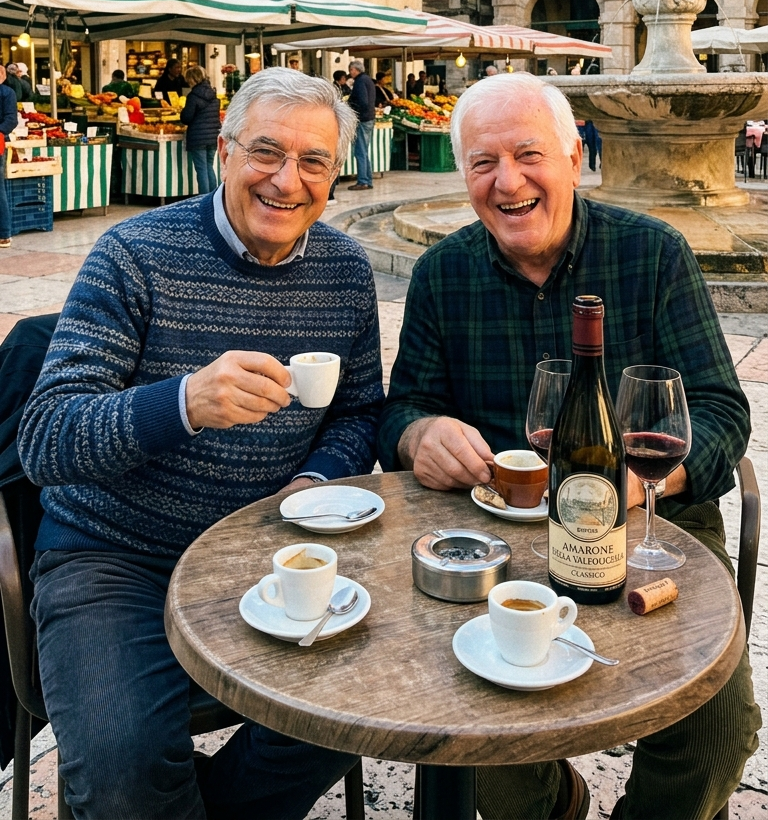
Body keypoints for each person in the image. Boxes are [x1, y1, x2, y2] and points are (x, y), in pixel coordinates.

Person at [378, 72, 760, 820]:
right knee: (476, 732)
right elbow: (403, 409)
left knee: (715, 734)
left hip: (653, 526)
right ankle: (554, 805)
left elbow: (720, 409)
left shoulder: (651, 255)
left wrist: (654, 481)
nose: (508, 181)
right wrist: (419, 434)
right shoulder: (441, 273)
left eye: (529, 154)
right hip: (498, 532)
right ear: (464, 176)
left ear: (573, 157)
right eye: (483, 162)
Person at [18, 69, 384, 820]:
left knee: (359, 705)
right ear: (222, 152)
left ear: (336, 173)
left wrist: (317, 478)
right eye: (267, 153)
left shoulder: (345, 270)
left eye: (314, 161)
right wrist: (181, 403)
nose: (287, 181)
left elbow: (359, 413)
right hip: (114, 556)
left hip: (265, 555)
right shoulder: (133, 253)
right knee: (127, 767)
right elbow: (47, 437)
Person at [181, 64, 221, 195]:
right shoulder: (213, 94)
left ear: (192, 79)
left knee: (201, 168)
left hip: (198, 137)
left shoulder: (193, 96)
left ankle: (204, 198)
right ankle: (214, 196)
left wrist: (182, 113)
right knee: (209, 166)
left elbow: (187, 117)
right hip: (213, 135)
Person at [347, 59, 376, 191]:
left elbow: (363, 101)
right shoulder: (368, 80)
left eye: (351, 70)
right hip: (369, 117)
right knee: (364, 151)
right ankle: (367, 180)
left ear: (355, 69)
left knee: (360, 151)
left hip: (362, 119)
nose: (350, 72)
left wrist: (352, 108)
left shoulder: (360, 81)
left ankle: (363, 181)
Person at [0, 65, 18, 248]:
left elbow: (11, 120)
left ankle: (4, 234)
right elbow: (11, 119)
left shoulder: (7, 93)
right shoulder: (8, 92)